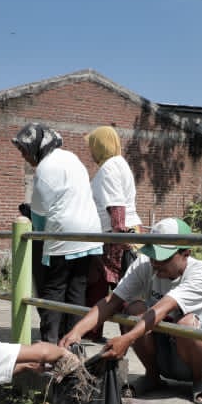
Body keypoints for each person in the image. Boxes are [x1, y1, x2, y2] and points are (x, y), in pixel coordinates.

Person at [60, 217, 202, 404]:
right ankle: (152, 376)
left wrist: (126, 340)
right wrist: (77, 332)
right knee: (133, 309)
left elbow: (161, 309)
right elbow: (111, 301)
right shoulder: (145, 264)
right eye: (152, 254)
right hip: (161, 352)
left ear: (185, 253)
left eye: (162, 258)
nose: (155, 262)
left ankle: (200, 381)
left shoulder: (200, 274)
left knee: (186, 324)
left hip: (196, 359)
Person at [12, 123, 102, 343]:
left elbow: (40, 219)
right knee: (77, 291)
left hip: (64, 235)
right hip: (89, 233)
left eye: (24, 151)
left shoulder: (44, 170)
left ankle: (50, 344)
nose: (24, 157)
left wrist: (38, 239)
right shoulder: (72, 158)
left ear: (36, 147)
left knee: (54, 288)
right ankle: (72, 343)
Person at [84, 126, 142, 319]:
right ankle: (101, 331)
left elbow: (117, 207)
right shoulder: (119, 163)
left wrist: (119, 239)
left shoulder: (109, 168)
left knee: (119, 290)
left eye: (92, 146)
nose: (91, 151)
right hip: (123, 233)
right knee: (120, 288)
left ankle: (126, 332)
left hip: (116, 235)